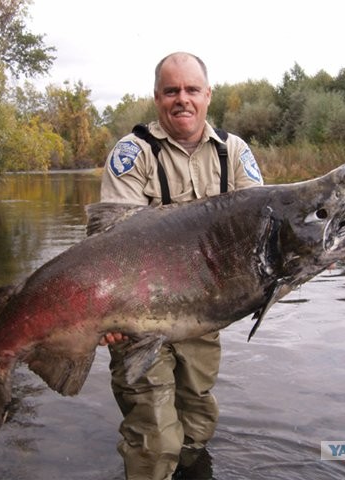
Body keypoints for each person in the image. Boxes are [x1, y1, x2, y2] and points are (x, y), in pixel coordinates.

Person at [97, 52, 264, 480]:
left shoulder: (234, 152)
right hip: (136, 319)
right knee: (154, 436)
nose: (182, 99)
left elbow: (263, 226)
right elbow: (107, 248)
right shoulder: (132, 154)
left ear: (208, 95)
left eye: (192, 90)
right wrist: (106, 314)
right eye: (172, 91)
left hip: (203, 317)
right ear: (156, 98)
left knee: (197, 423)